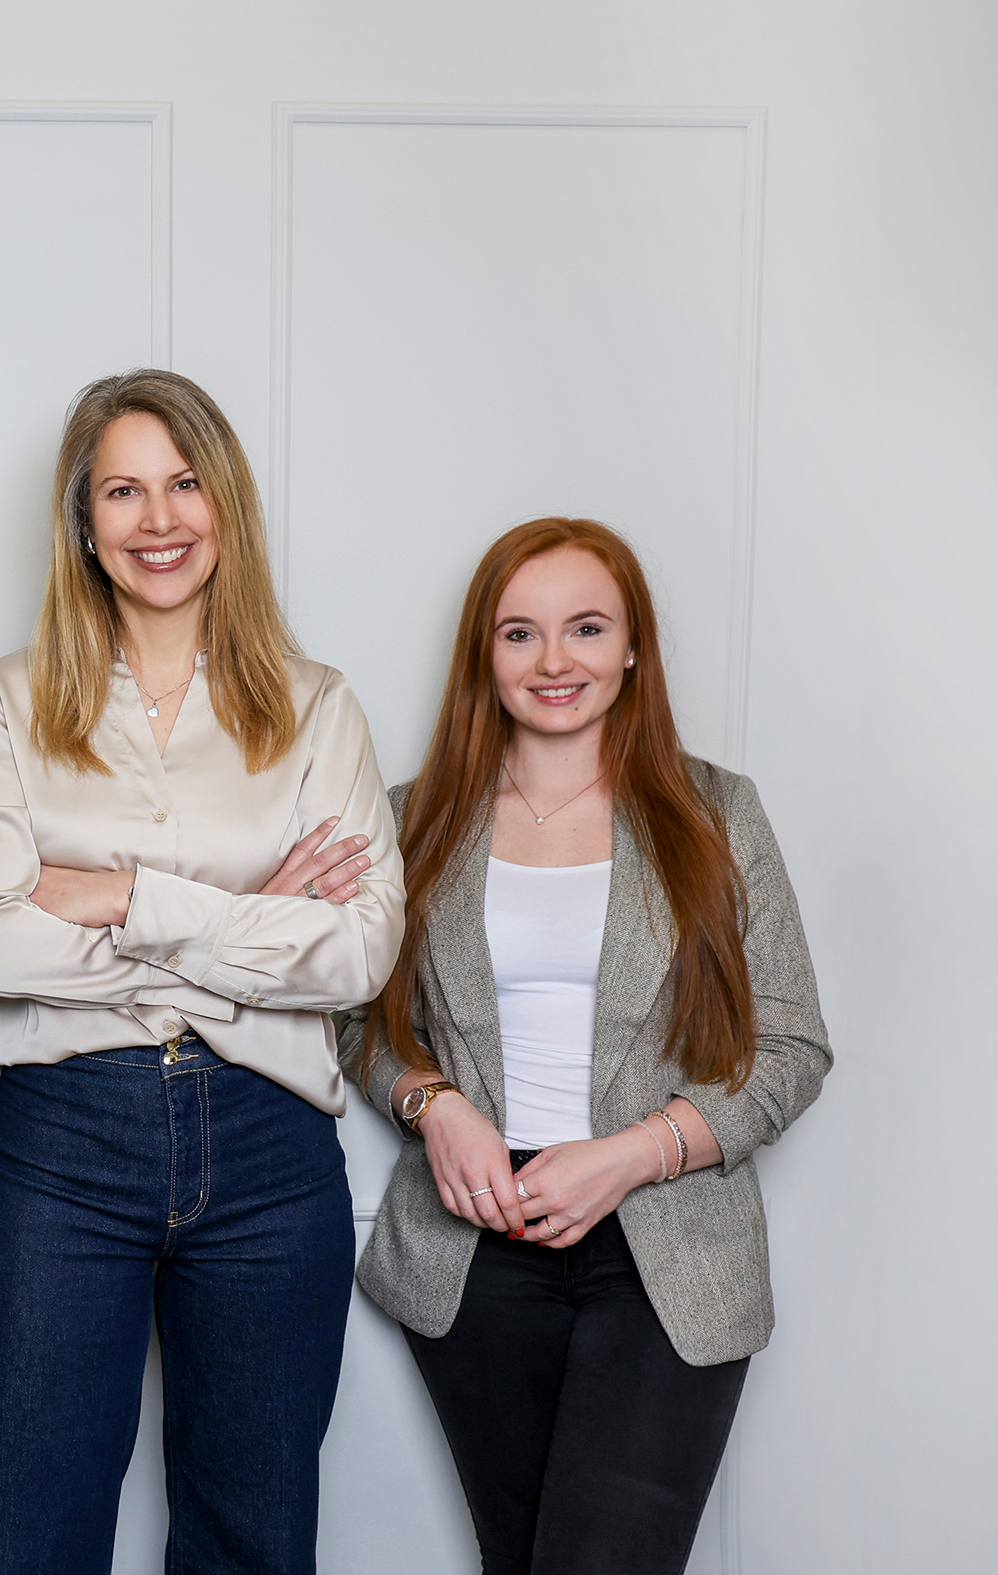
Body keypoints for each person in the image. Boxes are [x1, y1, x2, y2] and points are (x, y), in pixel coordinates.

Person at [0, 368, 406, 1574]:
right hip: (63, 1145)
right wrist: (250, 925)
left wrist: (125, 897)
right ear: (83, 526)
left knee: (251, 1541)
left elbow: (356, 955)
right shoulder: (10, 700)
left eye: (184, 484)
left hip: (268, 1150)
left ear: (225, 505)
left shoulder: (317, 709)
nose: (158, 519)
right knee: (27, 1540)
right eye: (124, 492)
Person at [341, 517, 832, 1575]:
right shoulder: (411, 820)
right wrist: (434, 1105)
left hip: (670, 1251)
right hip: (474, 1254)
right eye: (520, 633)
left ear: (632, 651)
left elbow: (792, 1047)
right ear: (485, 653)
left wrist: (633, 1152)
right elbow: (355, 1023)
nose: (554, 662)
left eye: (585, 629)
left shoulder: (717, 814)